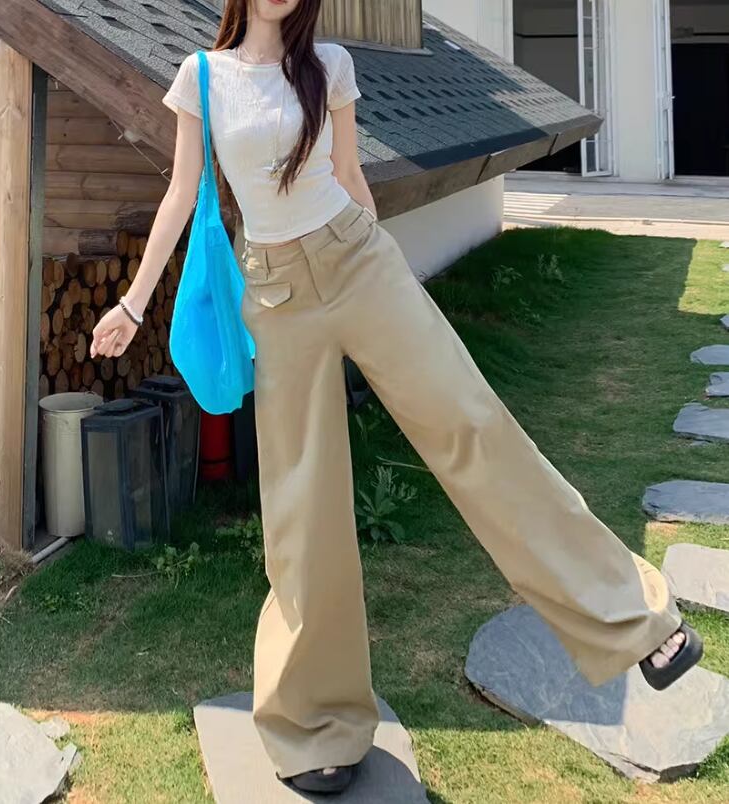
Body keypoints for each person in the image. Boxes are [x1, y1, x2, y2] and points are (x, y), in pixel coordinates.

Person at [89, 0, 704, 796]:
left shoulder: (330, 67)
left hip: (360, 265)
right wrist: (133, 303)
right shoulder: (201, 78)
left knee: (474, 425)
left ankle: (637, 621)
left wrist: (389, 282)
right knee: (302, 510)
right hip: (278, 297)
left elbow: (350, 180)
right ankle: (317, 726)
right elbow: (181, 192)